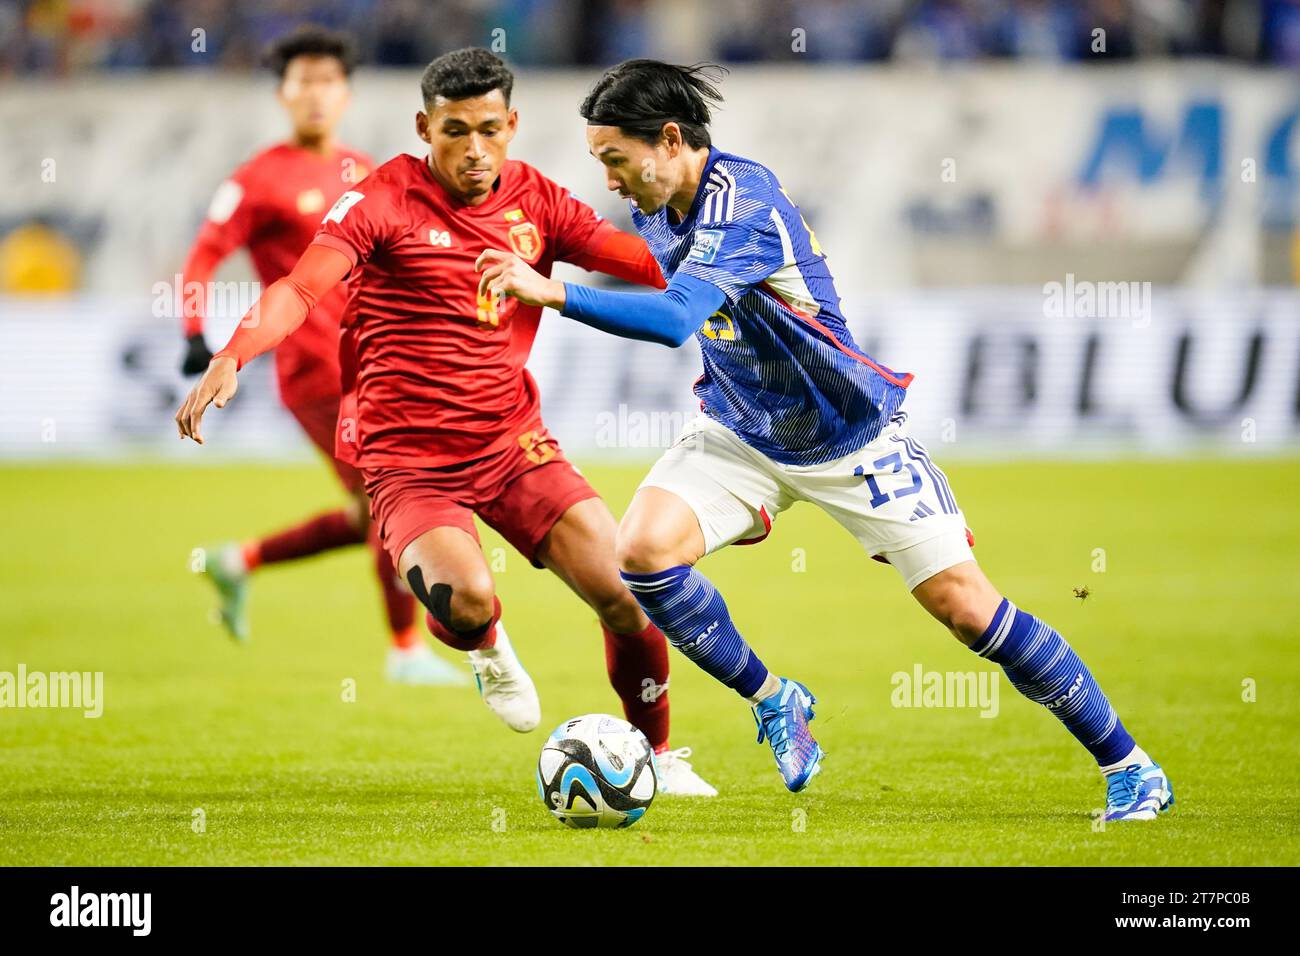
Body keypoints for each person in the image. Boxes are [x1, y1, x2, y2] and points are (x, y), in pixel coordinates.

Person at [476, 58, 1172, 821]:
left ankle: (1131, 767)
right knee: (640, 554)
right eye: (598, 161)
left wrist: (556, 293)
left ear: (669, 140)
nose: (609, 177)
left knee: (968, 608)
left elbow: (677, 319)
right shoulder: (658, 205)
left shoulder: (742, 202)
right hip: (742, 429)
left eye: (614, 157)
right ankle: (776, 701)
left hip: (852, 438)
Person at [175, 48, 716, 796]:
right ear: (424, 126)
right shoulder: (380, 199)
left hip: (513, 443)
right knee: (466, 601)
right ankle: (486, 646)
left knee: (626, 594)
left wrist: (743, 276)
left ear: (512, 125)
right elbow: (300, 288)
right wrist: (234, 352)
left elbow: (646, 262)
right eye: (455, 131)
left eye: (490, 131)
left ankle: (655, 758)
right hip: (406, 457)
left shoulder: (539, 201)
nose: (474, 150)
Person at [178, 27, 461, 685]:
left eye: (328, 82)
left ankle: (239, 560)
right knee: (396, 497)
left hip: (380, 365)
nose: (316, 94)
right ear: (283, 92)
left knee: (370, 509)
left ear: (345, 92)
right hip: (315, 374)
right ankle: (405, 650)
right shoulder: (256, 179)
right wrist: (195, 334)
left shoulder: (361, 170)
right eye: (303, 82)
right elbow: (202, 257)